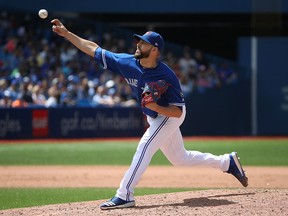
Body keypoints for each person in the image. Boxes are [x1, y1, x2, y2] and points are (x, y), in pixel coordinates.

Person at [51, 19, 248, 210]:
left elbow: (177, 111)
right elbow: (93, 49)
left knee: (145, 146)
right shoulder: (126, 62)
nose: (138, 44)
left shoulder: (167, 76)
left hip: (170, 114)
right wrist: (67, 34)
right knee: (180, 159)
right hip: (154, 114)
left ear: (154, 50)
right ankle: (227, 162)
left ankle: (124, 194)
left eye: (143, 43)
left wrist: (154, 106)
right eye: (139, 41)